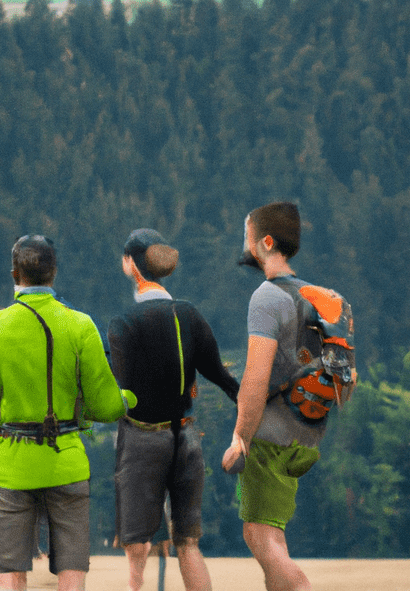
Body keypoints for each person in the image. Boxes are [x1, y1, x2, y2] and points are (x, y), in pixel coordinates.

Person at [0, 234, 133, 591]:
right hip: (66, 461)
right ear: (54, 273)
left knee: (9, 573)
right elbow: (107, 406)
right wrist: (129, 398)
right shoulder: (80, 325)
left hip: (9, 467)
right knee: (72, 572)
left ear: (13, 274)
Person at [221, 201, 345, 591]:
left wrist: (240, 436)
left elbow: (255, 381)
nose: (245, 244)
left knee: (258, 536)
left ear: (266, 242)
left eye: (248, 237)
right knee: (272, 533)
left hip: (270, 438)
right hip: (308, 434)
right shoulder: (323, 297)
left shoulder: (266, 297)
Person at [108, 228, 239, 591]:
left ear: (130, 265)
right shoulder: (189, 315)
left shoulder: (124, 323)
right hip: (187, 437)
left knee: (136, 547)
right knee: (188, 543)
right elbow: (223, 377)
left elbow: (120, 390)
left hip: (142, 440)